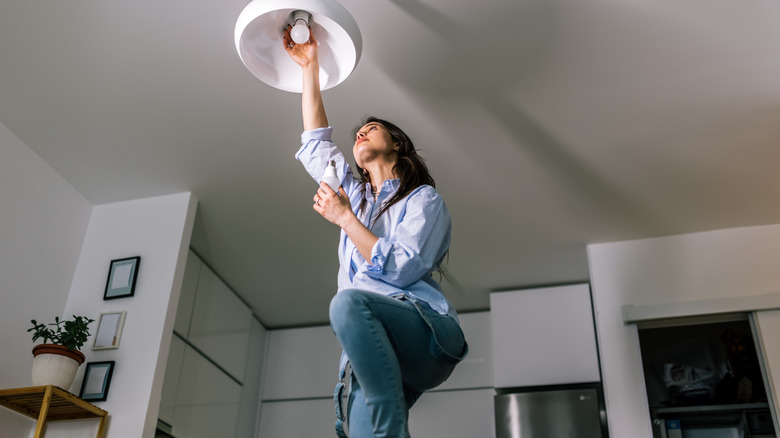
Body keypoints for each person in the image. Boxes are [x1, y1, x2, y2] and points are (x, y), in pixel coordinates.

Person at [284, 25, 468, 438]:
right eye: (357, 134)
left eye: (373, 127)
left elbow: (402, 268)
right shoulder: (356, 195)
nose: (360, 132)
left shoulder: (422, 200)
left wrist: (345, 219)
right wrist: (310, 66)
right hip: (371, 353)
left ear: (397, 145)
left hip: (425, 337)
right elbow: (315, 145)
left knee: (348, 304)